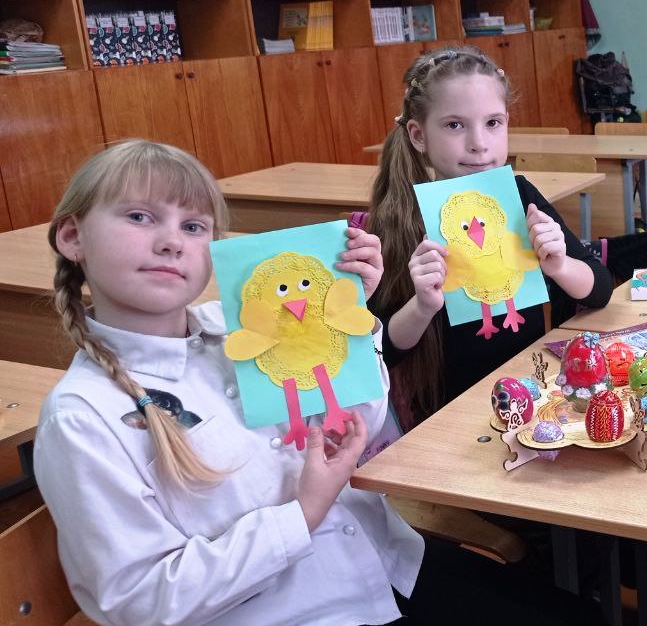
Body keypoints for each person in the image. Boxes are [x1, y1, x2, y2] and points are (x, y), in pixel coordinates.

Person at [35, 140, 602, 626]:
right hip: (297, 610)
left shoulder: (235, 326)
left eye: (192, 226)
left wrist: (353, 325)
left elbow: (360, 424)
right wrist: (302, 512)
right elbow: (138, 601)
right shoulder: (83, 416)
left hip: (388, 564)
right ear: (72, 237)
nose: (170, 242)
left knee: (582, 618)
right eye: (139, 217)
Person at [367, 45, 612, 429]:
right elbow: (381, 351)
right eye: (454, 125)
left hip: (534, 398)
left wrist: (560, 266)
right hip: (450, 417)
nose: (479, 143)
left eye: (493, 123)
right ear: (418, 134)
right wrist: (422, 305)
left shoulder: (520, 196)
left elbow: (599, 289)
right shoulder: (401, 217)